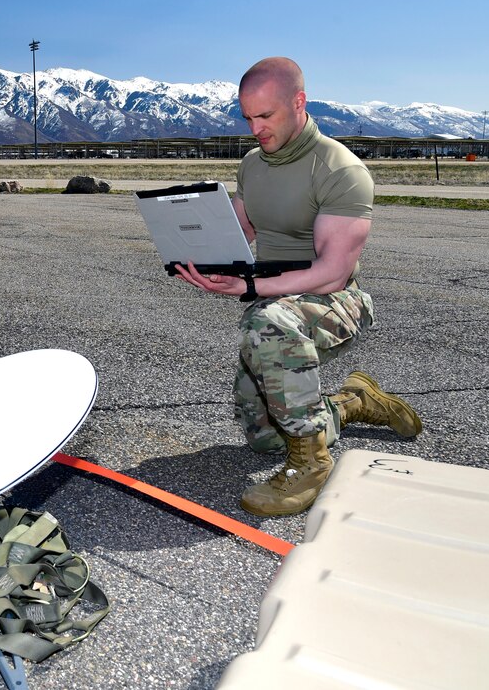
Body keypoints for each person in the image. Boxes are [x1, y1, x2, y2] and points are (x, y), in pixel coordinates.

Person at [175, 57, 422, 517]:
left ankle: (311, 463)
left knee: (266, 324)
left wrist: (250, 287)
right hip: (275, 299)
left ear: (298, 102)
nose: (255, 129)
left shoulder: (340, 170)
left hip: (336, 300)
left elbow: (331, 273)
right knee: (266, 438)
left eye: (265, 116)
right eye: (248, 117)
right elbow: (241, 230)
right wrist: (196, 250)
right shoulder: (253, 164)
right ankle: (354, 403)